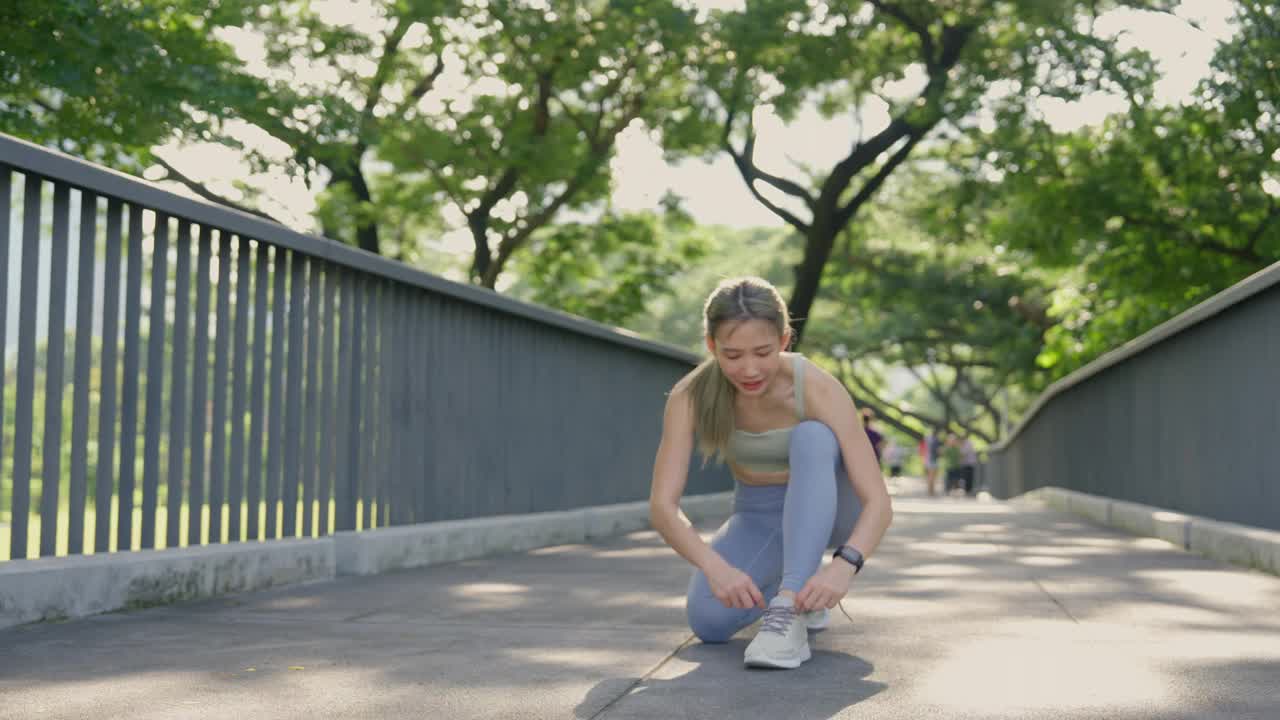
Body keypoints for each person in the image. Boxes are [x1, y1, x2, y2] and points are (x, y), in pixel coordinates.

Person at [648, 276, 894, 670]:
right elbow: (663, 505)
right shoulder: (689, 396)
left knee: (813, 437)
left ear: (784, 339)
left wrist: (844, 567)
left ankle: (789, 606)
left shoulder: (815, 386)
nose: (749, 369)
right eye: (732, 355)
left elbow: (879, 502)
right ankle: (798, 589)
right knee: (709, 621)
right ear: (711, 345)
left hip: (835, 507)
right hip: (760, 512)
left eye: (763, 352)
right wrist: (715, 567)